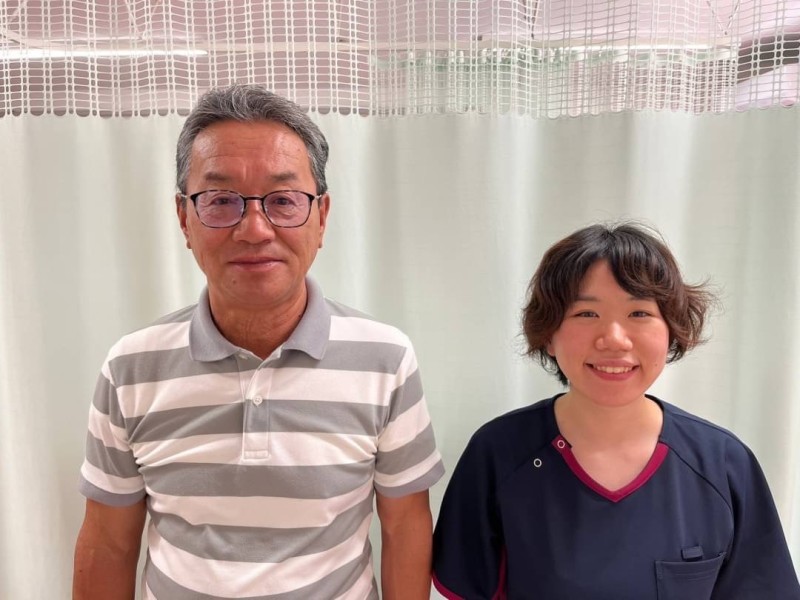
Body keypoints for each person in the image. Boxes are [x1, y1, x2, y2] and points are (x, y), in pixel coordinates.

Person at [73, 84, 444, 600]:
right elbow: (108, 543)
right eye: (221, 200)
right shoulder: (131, 368)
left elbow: (405, 527)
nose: (254, 229)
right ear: (184, 218)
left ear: (321, 217)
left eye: (283, 201)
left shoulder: (385, 360)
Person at [432, 222, 800, 599]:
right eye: (586, 314)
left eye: (639, 313)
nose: (614, 339)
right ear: (549, 334)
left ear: (671, 331)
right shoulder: (499, 453)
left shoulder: (722, 464)